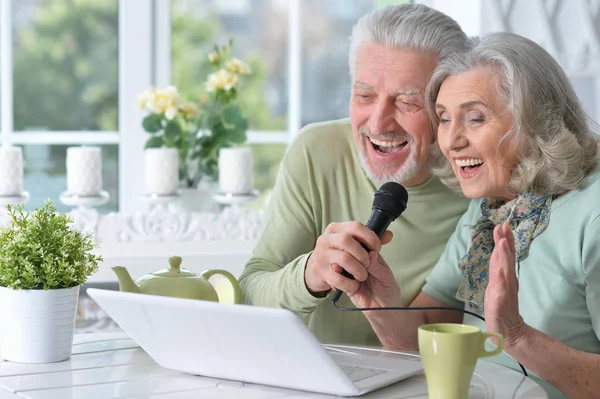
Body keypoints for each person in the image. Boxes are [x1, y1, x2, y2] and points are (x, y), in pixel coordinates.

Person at [346, 32, 600, 398]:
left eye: (475, 118)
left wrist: (516, 335)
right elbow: (431, 330)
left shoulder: (591, 215)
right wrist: (381, 305)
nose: (450, 141)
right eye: (445, 119)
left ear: (537, 121)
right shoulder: (490, 207)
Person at [238, 4, 470, 347]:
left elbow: (444, 345)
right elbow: (249, 292)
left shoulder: (475, 184)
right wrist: (310, 274)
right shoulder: (315, 151)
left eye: (407, 103)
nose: (377, 123)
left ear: (448, 108)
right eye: (364, 95)